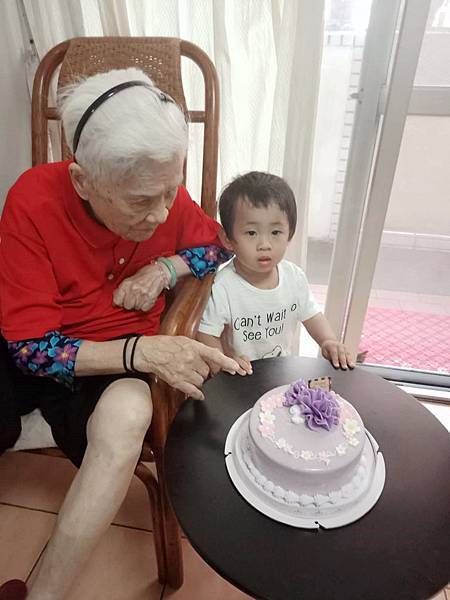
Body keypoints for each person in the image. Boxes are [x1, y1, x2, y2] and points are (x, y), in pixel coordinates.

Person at [0, 68, 239, 600]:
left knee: (129, 413)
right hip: (38, 344)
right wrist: (143, 351)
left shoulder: (162, 195)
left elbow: (217, 246)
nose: (161, 214)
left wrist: (167, 268)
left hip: (114, 365)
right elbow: (30, 350)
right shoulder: (33, 199)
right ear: (83, 181)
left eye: (170, 191)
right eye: (139, 201)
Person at [197, 171, 355, 375]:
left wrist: (328, 341)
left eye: (275, 232)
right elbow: (206, 334)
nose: (265, 244)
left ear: (289, 234)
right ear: (227, 239)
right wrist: (224, 364)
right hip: (240, 379)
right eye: (251, 233)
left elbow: (312, 315)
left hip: (281, 372)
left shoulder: (294, 278)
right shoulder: (223, 287)